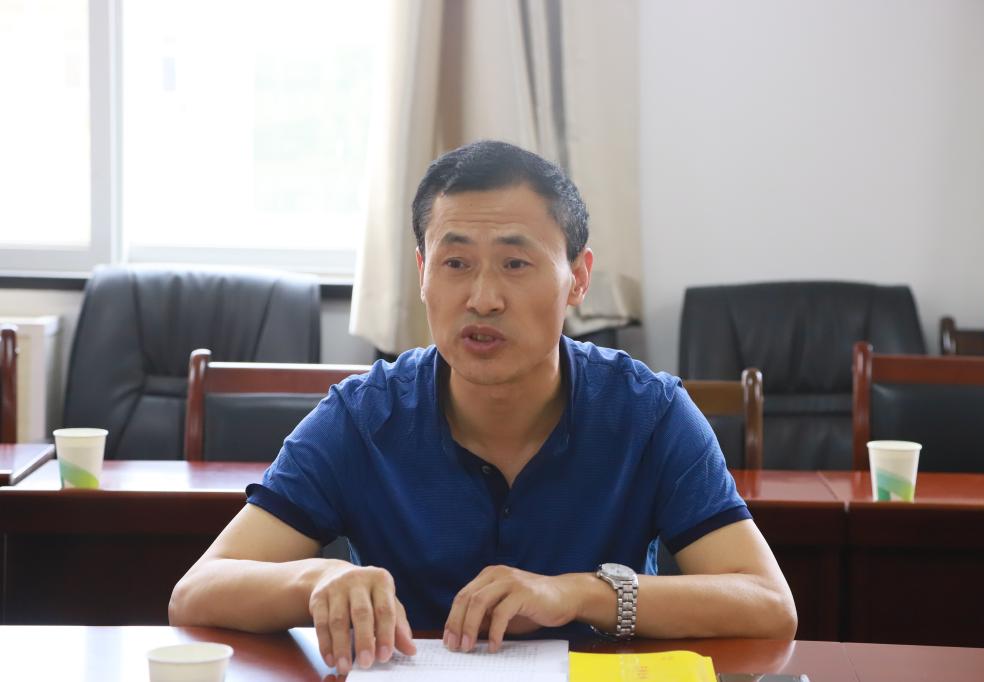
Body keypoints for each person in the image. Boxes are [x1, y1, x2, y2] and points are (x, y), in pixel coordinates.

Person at [168, 140, 797, 674]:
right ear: (422, 273)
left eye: (516, 263)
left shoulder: (648, 412)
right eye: (456, 262)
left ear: (578, 278)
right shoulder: (364, 416)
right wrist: (316, 581)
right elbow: (196, 592)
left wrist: (579, 594)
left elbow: (768, 603)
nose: (483, 298)